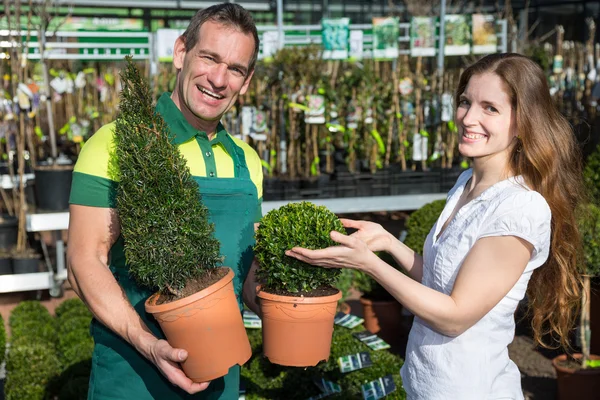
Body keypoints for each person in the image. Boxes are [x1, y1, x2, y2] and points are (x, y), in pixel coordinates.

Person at [287, 53, 584, 400]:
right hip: (426, 386)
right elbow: (442, 282)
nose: (468, 117)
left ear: (523, 122)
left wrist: (368, 264)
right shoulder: (466, 183)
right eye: (465, 102)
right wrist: (388, 243)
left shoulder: (519, 207)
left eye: (490, 108)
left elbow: (455, 316)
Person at [67, 4, 263, 399]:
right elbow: (83, 261)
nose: (219, 79)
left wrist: (295, 296)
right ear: (180, 52)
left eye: (236, 69)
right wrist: (147, 343)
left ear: (246, 81)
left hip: (219, 378)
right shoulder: (115, 143)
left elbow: (247, 276)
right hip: (132, 377)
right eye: (209, 58)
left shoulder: (248, 161)